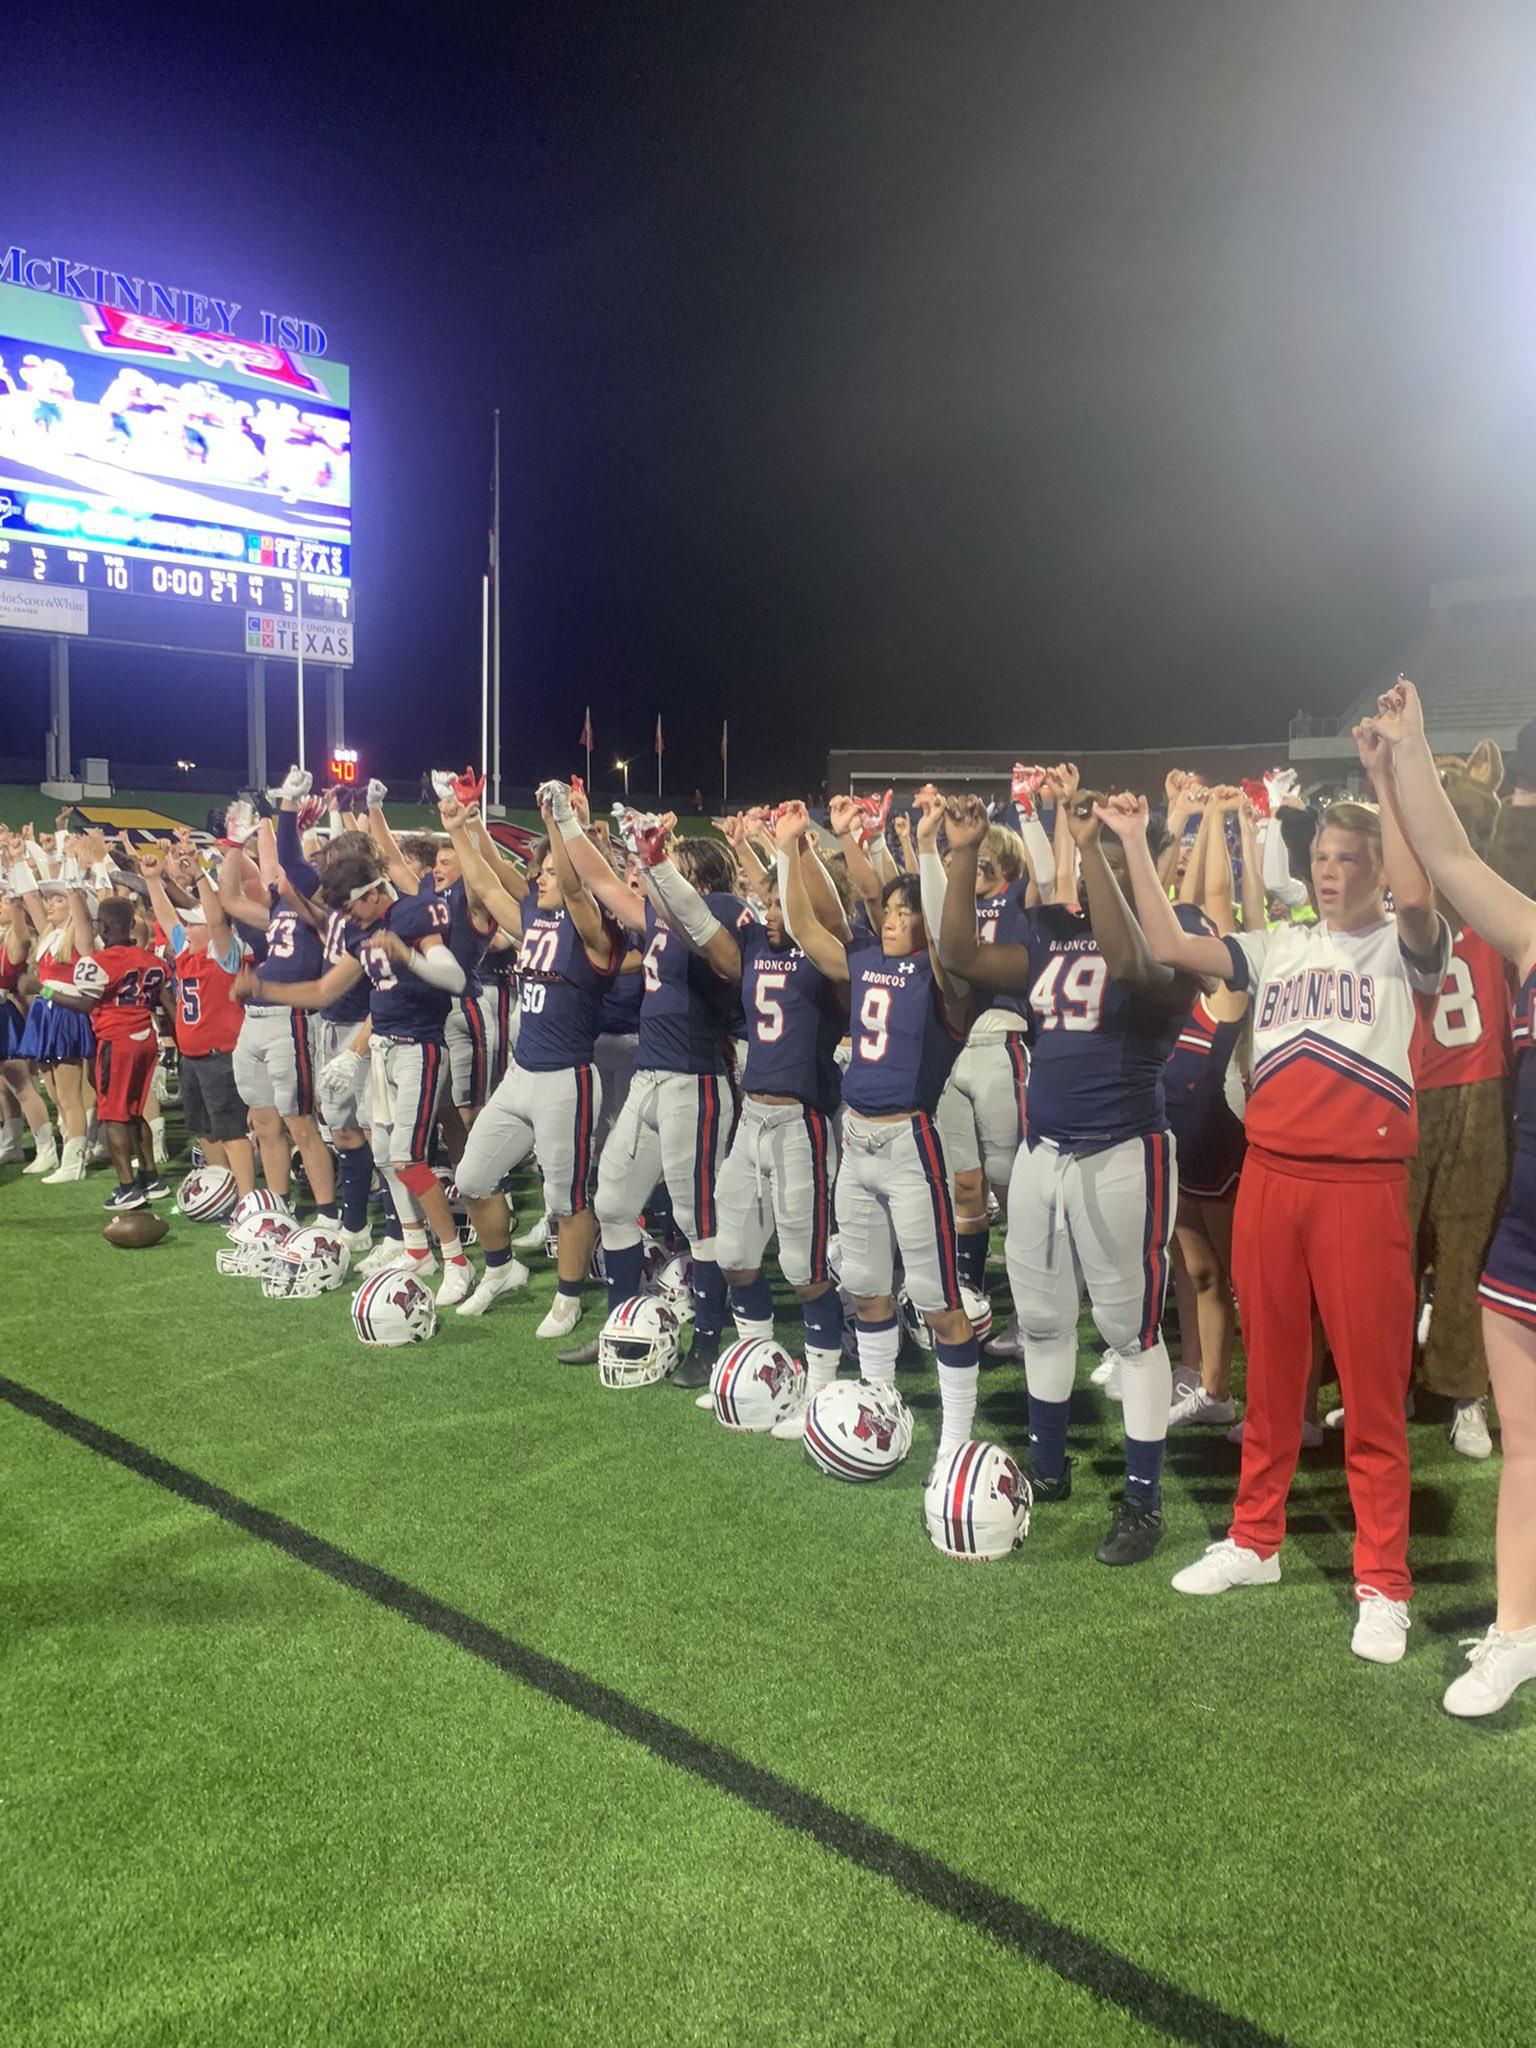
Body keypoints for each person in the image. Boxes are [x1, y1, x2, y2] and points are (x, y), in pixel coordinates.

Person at [1103, 728, 1448, 1665]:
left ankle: (1384, 1582)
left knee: (1371, 1395)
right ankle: (1256, 1539)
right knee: (1272, 1378)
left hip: (1361, 1188)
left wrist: (1385, 778)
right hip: (1271, 1177)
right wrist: (1133, 839)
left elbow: (1421, 895)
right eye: (1323, 858)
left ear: (1378, 870)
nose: (1331, 872)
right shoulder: (1278, 946)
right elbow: (1169, 941)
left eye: (1351, 859)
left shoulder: (1405, 947)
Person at [939, 791, 1204, 1566]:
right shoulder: (1052, 933)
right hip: (1043, 1151)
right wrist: (963, 853)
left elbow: (1132, 963)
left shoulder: (1179, 932)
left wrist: (1090, 845)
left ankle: (1143, 1499)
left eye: (1112, 865)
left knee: (1130, 1333)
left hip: (1120, 1149)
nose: (1093, 879)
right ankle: (1049, 1466)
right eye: (1092, 864)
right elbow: (960, 956)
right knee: (1044, 1321)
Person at [1360, 677, 1536, 1713]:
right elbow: (1452, 860)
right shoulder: (1528, 930)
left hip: (1509, 1198)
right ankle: (1516, 1630)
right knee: (1527, 1454)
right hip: (1522, 1239)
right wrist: (1410, 749)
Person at [775, 794, 984, 1463]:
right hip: (856, 1141)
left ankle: (955, 1440)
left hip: (909, 1145)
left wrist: (926, 847)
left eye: (905, 912)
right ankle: (878, 1406)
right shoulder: (865, 961)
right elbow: (805, 928)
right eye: (888, 911)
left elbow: (946, 935)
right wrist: (787, 851)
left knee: (938, 1302)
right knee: (866, 1291)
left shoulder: (946, 977)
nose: (891, 920)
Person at [629, 805, 849, 1431]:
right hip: (752, 1120)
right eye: (769, 904)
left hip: (801, 1124)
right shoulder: (752, 943)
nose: (772, 914)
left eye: (781, 905)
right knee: (734, 1254)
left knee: (804, 1269)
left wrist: (788, 853)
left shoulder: (831, 957)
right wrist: (656, 864)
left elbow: (827, 918)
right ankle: (760, 1368)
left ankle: (820, 1390)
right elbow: (698, 922)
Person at [554, 789, 752, 1386]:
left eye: (671, 864)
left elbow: (714, 946)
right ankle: (624, 1323)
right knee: (614, 1203)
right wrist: (567, 821)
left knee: (698, 1219)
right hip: (650, 1074)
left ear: (699, 878)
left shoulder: (724, 909)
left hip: (697, 1079)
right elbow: (598, 879)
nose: (653, 872)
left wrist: (658, 865)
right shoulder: (659, 915)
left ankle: (710, 1340)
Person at [233, 849, 475, 1302]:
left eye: (350, 907)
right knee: (384, 1153)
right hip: (382, 1049)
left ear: (372, 893)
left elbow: (454, 978)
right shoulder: (366, 930)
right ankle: (417, 1248)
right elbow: (324, 991)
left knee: (408, 1159)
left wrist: (407, 954)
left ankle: (456, 1259)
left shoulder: (413, 913)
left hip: (419, 1047)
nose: (347, 918)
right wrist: (264, 988)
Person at [441, 791, 621, 1334]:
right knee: (472, 1177)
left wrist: (559, 823)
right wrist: (457, 829)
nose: (539, 878)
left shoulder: (594, 932)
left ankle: (568, 1296)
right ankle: (501, 1269)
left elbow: (576, 887)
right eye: (538, 871)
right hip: (521, 1074)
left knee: (566, 1199)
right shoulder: (535, 920)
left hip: (566, 1079)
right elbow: (485, 884)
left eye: (548, 871)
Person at [138, 847, 257, 1199]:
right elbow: (166, 918)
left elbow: (218, 922)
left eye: (194, 924)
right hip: (192, 1056)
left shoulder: (225, 953)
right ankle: (223, 1191)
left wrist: (201, 877)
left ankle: (247, 1199)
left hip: (221, 1056)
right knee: (205, 1130)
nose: (186, 929)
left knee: (231, 1131)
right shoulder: (188, 950)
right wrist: (153, 880)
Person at [64, 888, 174, 1213]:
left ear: (104, 926)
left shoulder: (98, 963)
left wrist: (45, 992)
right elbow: (167, 1004)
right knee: (135, 1110)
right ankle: (151, 1177)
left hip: (117, 1040)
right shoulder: (152, 961)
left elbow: (86, 1004)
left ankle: (127, 1187)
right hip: (146, 1038)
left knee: (113, 1115)